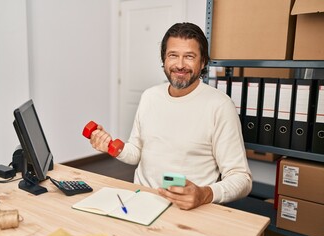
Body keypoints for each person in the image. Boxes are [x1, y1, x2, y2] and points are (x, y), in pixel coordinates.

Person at [89, 22, 252, 210]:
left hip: (187, 210)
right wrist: (110, 146)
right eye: (173, 55)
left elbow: (242, 178)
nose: (180, 65)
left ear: (203, 62)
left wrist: (204, 194)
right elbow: (136, 153)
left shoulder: (220, 106)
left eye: (189, 57)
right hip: (140, 202)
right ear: (164, 60)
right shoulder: (149, 96)